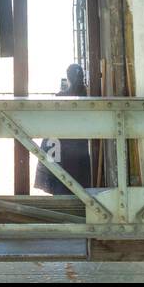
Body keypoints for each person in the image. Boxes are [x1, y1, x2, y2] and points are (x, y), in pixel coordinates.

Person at [34, 63, 93, 194]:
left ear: (68, 78)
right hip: (80, 147)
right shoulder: (87, 97)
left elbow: (51, 123)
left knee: (62, 183)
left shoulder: (60, 96)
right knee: (80, 185)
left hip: (62, 148)